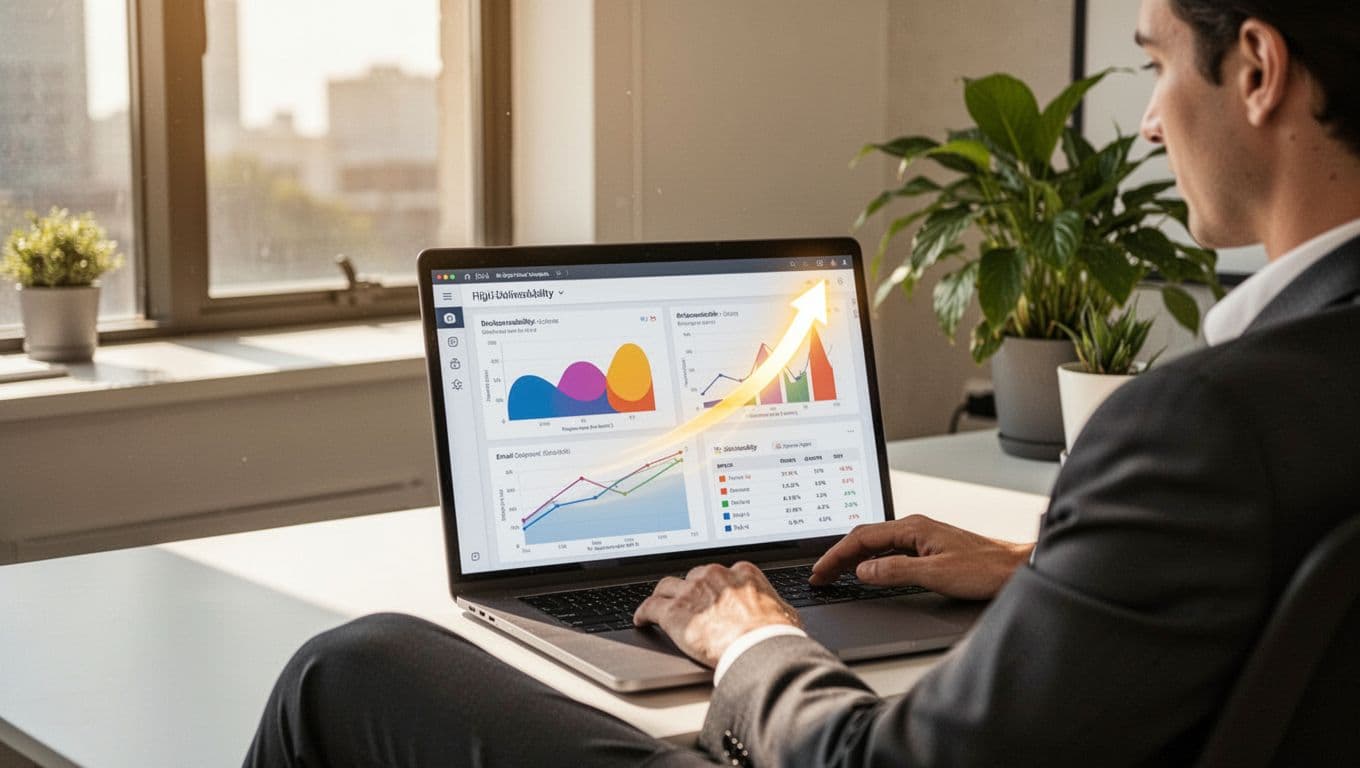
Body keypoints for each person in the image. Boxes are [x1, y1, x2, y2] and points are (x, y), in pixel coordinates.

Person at [244, 1, 1360, 764]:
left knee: (352, 666)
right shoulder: (1271, 417)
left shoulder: (1199, 427)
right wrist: (1046, 570)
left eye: (1157, 62)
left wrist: (750, 637)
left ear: (1255, 69)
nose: (1154, 115)